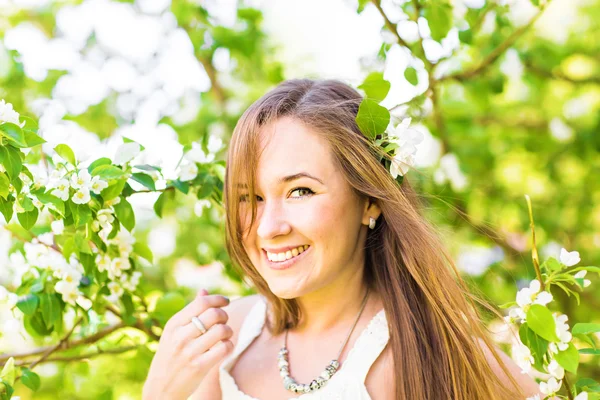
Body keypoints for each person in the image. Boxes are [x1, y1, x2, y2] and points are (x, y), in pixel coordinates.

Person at [143, 79, 544, 399]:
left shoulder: (431, 355)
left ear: (369, 200)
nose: (268, 227)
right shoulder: (221, 341)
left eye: (300, 191)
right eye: (251, 198)